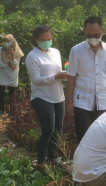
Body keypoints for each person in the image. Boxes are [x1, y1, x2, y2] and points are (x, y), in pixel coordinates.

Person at [66, 17, 106, 145]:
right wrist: (69, 102)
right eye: (89, 35)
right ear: (84, 31)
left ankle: (101, 165)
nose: (93, 38)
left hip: (104, 102)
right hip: (82, 102)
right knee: (84, 138)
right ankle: (83, 165)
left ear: (103, 31)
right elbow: (71, 77)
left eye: (96, 34)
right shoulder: (76, 50)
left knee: (102, 138)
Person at [25, 25, 67, 166]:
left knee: (57, 130)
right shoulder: (32, 57)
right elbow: (36, 80)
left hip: (58, 96)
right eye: (43, 39)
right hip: (42, 98)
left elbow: (58, 71)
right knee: (47, 130)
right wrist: (56, 77)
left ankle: (52, 158)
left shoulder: (55, 52)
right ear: (36, 40)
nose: (47, 42)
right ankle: (41, 162)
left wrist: (65, 74)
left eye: (49, 39)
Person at [0, 34, 24, 115]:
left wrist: (12, 56)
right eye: (5, 41)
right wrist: (7, 64)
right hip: (2, 74)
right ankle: (1, 109)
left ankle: (12, 111)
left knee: (13, 94)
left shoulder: (17, 51)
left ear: (12, 41)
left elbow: (15, 64)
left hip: (12, 74)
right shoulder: (1, 50)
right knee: (0, 93)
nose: (6, 43)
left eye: (8, 41)